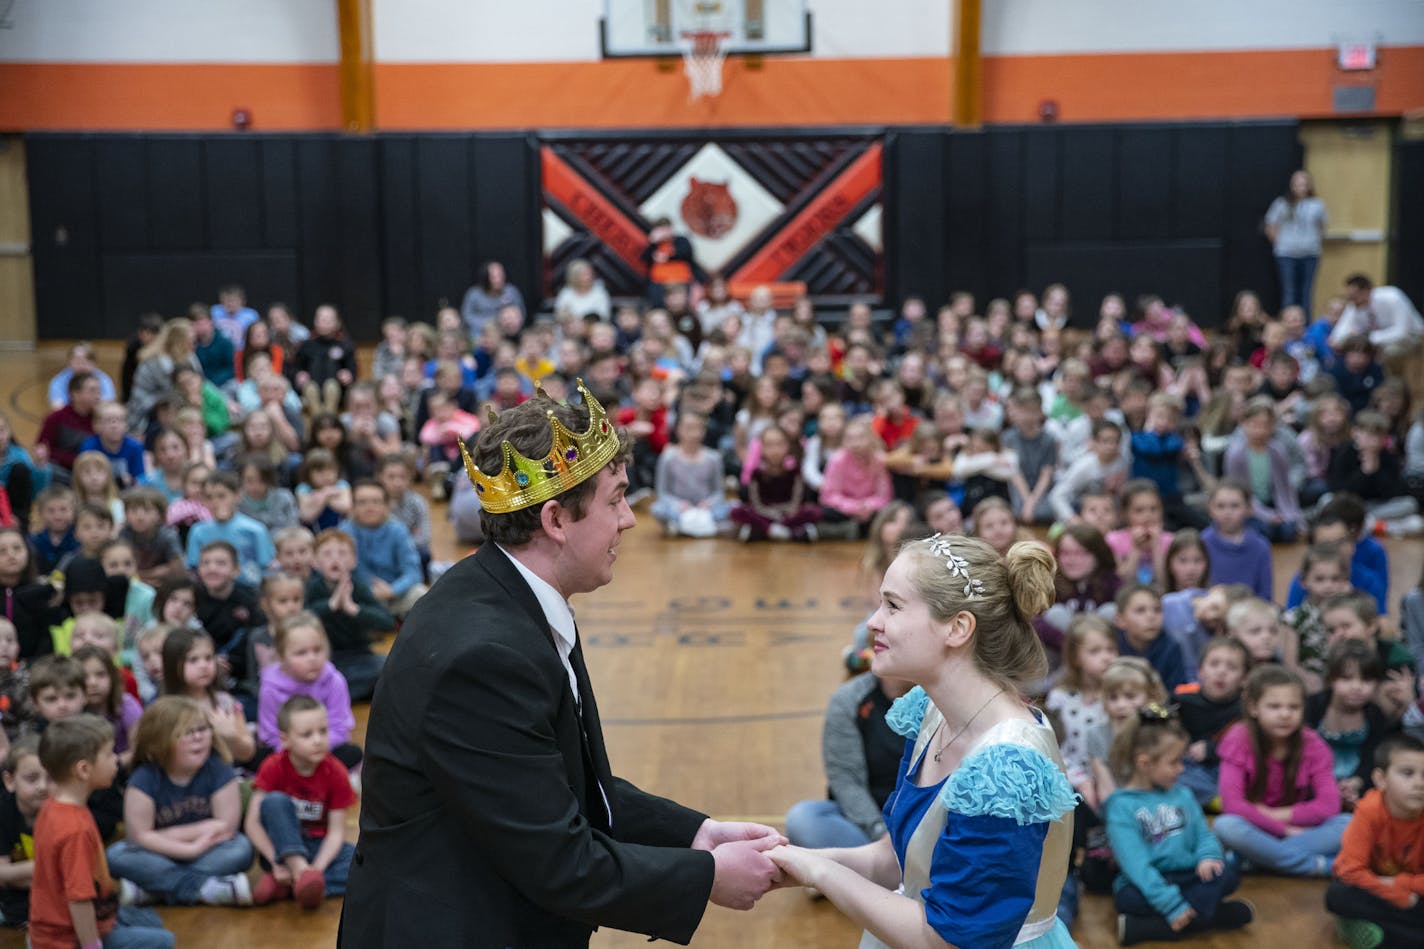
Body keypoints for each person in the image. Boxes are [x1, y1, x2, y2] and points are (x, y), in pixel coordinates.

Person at [340, 382, 783, 948]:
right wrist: (708, 878)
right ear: (555, 520)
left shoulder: (505, 595)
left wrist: (696, 834)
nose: (628, 520)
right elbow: (557, 859)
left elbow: (560, 785)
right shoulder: (483, 658)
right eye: (616, 498)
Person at [765, 535, 1075, 949]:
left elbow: (946, 940)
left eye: (892, 606)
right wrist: (787, 859)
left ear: (958, 627)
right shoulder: (931, 715)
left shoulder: (1007, 769)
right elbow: (896, 859)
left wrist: (821, 873)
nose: (873, 622)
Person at [1105, 705, 1252, 945]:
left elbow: (1204, 835)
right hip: (1151, 882)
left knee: (1227, 874)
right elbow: (1137, 866)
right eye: (1173, 762)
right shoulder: (1120, 806)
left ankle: (1149, 928)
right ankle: (1215, 916)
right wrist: (1170, 903)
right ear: (1145, 763)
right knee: (1127, 898)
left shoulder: (1182, 794)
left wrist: (1208, 857)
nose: (1181, 769)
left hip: (1190, 874)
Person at [31, 716, 173, 949]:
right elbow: (79, 900)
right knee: (164, 941)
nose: (116, 759)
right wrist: (91, 945)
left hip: (89, 917)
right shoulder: (74, 829)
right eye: (109, 754)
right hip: (69, 938)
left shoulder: (53, 805)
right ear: (84, 769)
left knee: (152, 920)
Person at [105, 697, 253, 906]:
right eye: (187, 732)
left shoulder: (218, 768)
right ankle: (206, 888)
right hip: (159, 854)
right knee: (116, 855)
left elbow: (226, 827)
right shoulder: (144, 777)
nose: (198, 737)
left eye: (203, 729)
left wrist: (170, 838)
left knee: (242, 848)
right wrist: (188, 848)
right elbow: (139, 836)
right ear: (160, 741)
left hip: (209, 850)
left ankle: (153, 890)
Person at [1213, 665, 1351, 877]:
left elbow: (1329, 806)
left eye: (1294, 707)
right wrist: (1282, 829)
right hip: (1257, 828)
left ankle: (1255, 860)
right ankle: (1318, 866)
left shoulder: (1313, 744)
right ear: (1253, 708)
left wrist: (1276, 815)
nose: (1285, 714)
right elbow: (1233, 805)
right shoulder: (1238, 738)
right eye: (1274, 706)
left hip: (1296, 829)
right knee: (1226, 825)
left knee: (1348, 823)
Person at [246, 695, 356, 909]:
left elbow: (335, 833)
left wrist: (315, 869)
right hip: (279, 851)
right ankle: (299, 876)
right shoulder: (273, 766)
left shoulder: (337, 772)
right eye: (307, 734)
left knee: (362, 862)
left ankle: (289, 886)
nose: (317, 740)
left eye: (323, 731)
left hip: (318, 847)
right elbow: (252, 823)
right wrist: (277, 862)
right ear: (285, 739)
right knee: (274, 801)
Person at [784, 672, 908, 850]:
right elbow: (845, 780)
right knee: (803, 818)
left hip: (924, 823)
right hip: (871, 828)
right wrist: (880, 830)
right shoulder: (850, 698)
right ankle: (882, 867)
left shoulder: (937, 695)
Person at [1325, 734, 1424, 949]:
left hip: (1415, 893)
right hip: (1374, 888)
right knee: (1338, 895)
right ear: (1381, 779)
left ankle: (1384, 935)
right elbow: (1350, 871)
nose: (1419, 783)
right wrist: (1397, 895)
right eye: (1408, 774)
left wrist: (1403, 885)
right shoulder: (1369, 811)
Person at [1265, 169, 1328, 311]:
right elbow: (1270, 226)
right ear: (1291, 185)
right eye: (1297, 184)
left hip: (1310, 253)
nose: (1300, 187)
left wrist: (1314, 242)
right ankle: (1288, 325)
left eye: (1304, 184)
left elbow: (1322, 227)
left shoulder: (1317, 204)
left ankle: (1306, 326)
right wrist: (1280, 243)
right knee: (1289, 292)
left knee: (1306, 292)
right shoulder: (1281, 204)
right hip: (1286, 253)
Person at [1330, 274, 1424, 361]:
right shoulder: (1355, 305)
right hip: (1382, 340)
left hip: (1414, 337)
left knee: (1390, 351)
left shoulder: (1393, 297)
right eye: (1350, 297)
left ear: (1367, 290)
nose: (1352, 301)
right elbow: (1338, 335)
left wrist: (1369, 338)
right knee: (1354, 352)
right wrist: (1342, 339)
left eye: (1354, 296)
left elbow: (1402, 332)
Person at [460, 261, 526, 340]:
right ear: (485, 277)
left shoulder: (511, 291)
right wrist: (488, 324)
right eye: (494, 277)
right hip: (481, 331)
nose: (498, 280)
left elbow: (521, 312)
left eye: (500, 276)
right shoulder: (474, 294)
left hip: (507, 330)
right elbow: (467, 316)